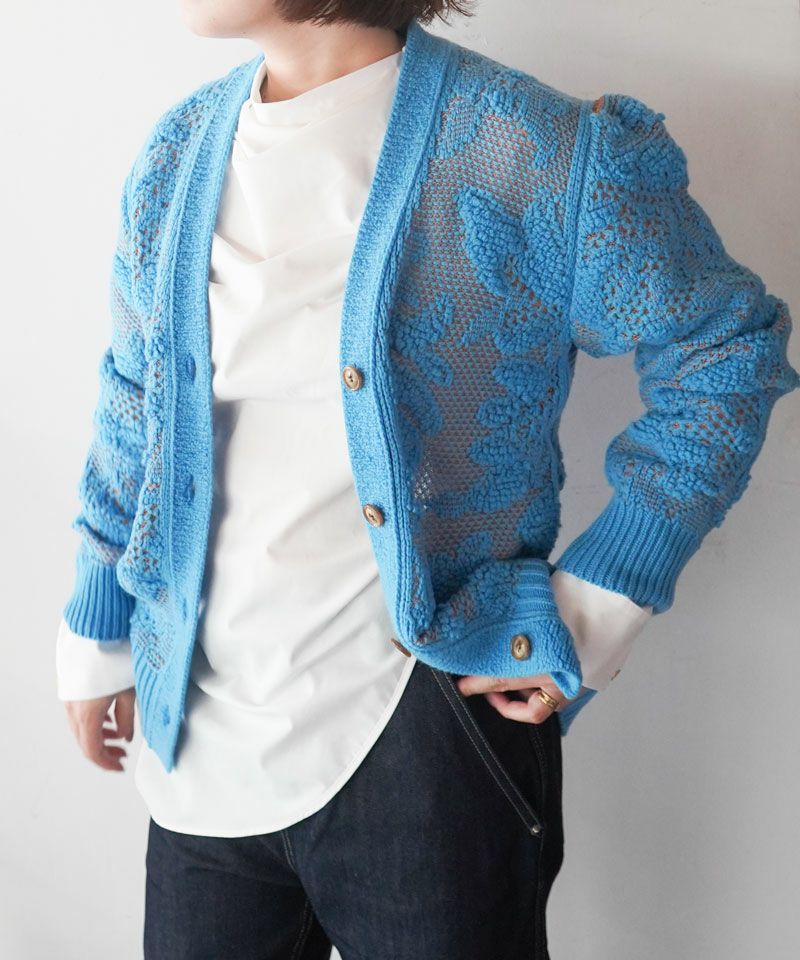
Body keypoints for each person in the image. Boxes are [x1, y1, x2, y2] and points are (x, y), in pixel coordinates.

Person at [55, 2, 800, 958]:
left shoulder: (532, 152)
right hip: (200, 737)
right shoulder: (177, 154)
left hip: (430, 738)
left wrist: (602, 597)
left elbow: (726, 349)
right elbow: (136, 402)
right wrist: (100, 631)